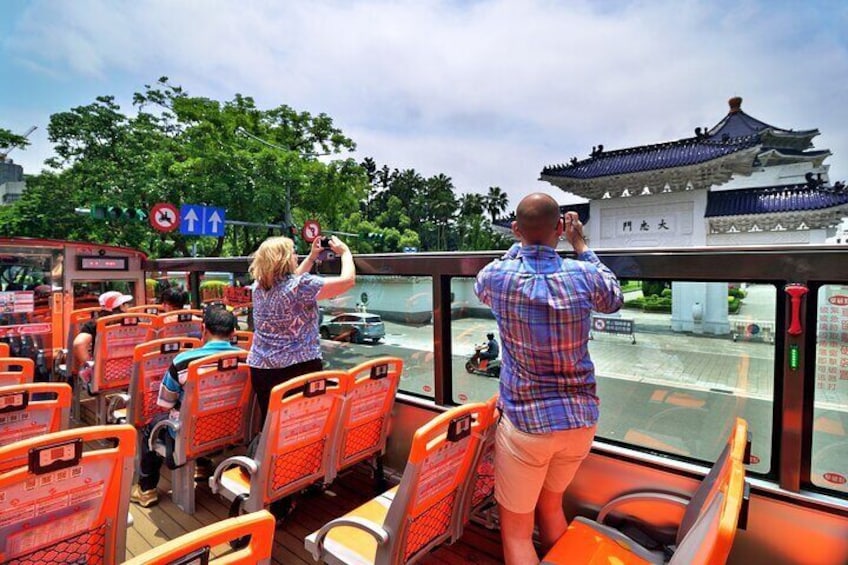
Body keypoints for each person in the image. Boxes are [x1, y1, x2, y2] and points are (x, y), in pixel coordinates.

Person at [474, 193, 623, 564]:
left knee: (517, 533)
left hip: (526, 426)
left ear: (515, 231)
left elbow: (482, 285)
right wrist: (580, 244)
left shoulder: (498, 276)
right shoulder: (585, 274)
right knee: (552, 507)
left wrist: (519, 244)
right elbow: (614, 297)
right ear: (560, 228)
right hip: (579, 423)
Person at [131, 307, 243, 507]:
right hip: (229, 428)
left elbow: (165, 402)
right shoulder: (246, 358)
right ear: (233, 332)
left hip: (189, 432)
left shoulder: (184, 361)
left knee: (153, 427)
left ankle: (146, 488)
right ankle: (203, 465)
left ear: (204, 329)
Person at [247, 235, 355, 426]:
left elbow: (291, 281)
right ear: (284, 259)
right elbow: (347, 281)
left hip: (261, 369)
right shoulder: (300, 287)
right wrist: (345, 253)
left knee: (273, 424)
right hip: (298, 368)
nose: (296, 256)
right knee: (302, 426)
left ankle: (271, 455)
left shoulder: (258, 287)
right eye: (293, 253)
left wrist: (312, 257)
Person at [72, 290, 134, 383]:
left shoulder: (94, 324)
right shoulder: (135, 322)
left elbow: (78, 344)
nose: (129, 306)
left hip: (103, 374)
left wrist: (90, 366)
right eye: (127, 304)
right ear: (121, 306)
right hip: (132, 370)